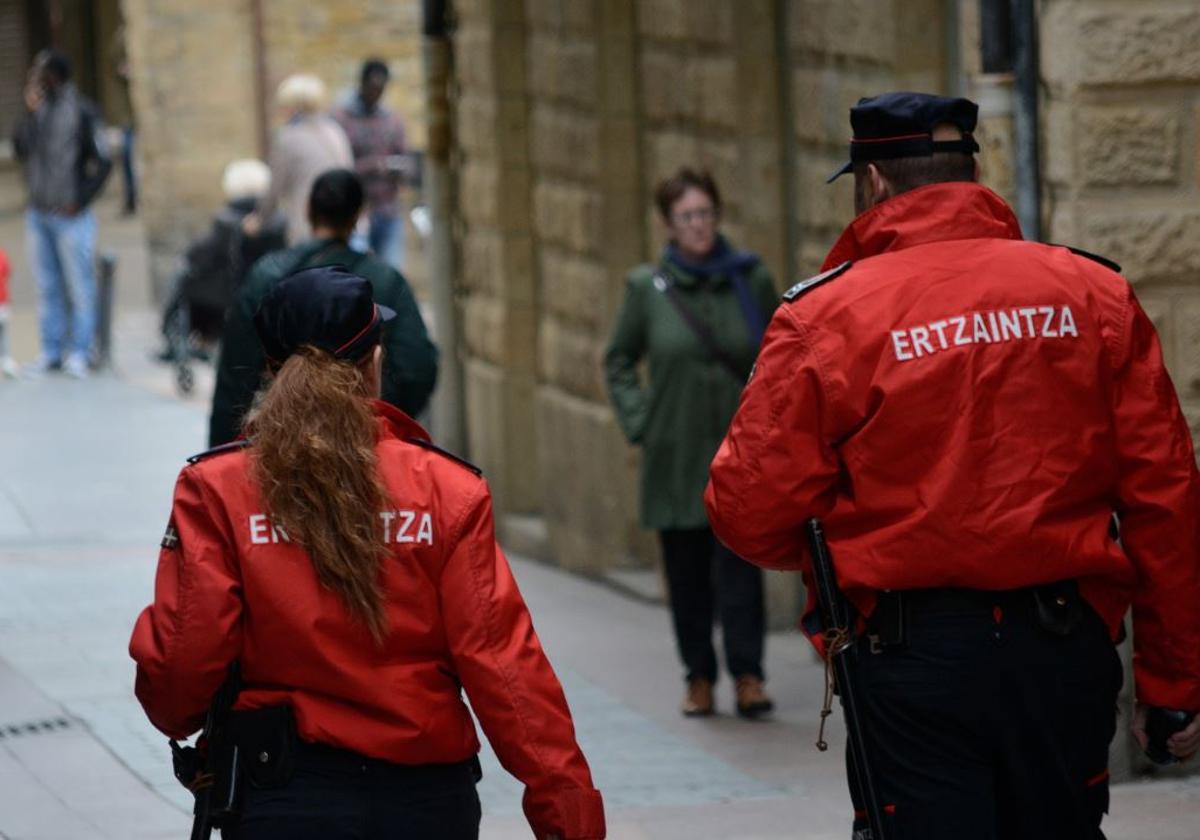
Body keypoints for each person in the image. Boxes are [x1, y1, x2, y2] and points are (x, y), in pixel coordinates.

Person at [705, 91, 1200, 839]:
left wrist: (843, 547)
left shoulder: (825, 317)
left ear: (872, 184)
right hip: (1062, 646)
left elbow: (747, 508)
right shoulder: (1091, 292)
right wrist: (1174, 684)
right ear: (972, 174)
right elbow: (1165, 497)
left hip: (911, 657)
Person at [130, 267, 606, 840]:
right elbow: (506, 667)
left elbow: (183, 664)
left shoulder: (219, 489)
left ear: (272, 372)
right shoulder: (446, 492)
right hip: (426, 802)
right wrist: (569, 813)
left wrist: (180, 716)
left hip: (283, 798)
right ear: (374, 363)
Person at [604, 168, 777, 719]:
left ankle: (749, 675)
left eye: (705, 214)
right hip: (675, 456)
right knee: (687, 576)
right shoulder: (646, 288)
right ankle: (698, 676)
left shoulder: (751, 280)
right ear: (667, 225)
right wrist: (641, 421)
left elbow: (780, 354)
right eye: (686, 217)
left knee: (741, 572)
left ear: (718, 216)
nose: (698, 226)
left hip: (740, 454)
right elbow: (619, 360)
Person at [210, 168, 437, 447]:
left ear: (308, 210)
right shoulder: (385, 280)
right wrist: (383, 420)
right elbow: (417, 365)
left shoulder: (266, 276)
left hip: (282, 447)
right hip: (367, 442)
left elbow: (234, 377)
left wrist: (220, 453)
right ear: (358, 215)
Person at [12, 50, 112, 379]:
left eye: (43, 74)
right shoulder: (37, 112)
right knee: (47, 286)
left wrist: (80, 200)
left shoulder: (83, 110)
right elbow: (19, 149)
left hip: (71, 216)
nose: (38, 80)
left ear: (57, 76)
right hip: (38, 214)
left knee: (79, 286)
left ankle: (80, 352)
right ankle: (51, 351)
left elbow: (104, 161)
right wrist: (28, 114)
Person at [158, 159, 286, 359]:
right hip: (269, 294)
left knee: (186, 281)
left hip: (227, 297)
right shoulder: (279, 222)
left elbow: (200, 255)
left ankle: (189, 339)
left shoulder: (226, 222)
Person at [251, 74, 353, 244]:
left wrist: (259, 219)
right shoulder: (335, 131)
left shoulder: (289, 137)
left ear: (292, 107)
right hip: (344, 225)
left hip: (308, 226)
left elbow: (274, 188)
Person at [333, 58, 410, 270]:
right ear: (362, 83)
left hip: (388, 209)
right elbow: (339, 166)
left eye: (381, 88)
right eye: (373, 86)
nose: (377, 92)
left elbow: (406, 158)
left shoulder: (392, 120)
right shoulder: (342, 119)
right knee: (358, 274)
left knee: (392, 273)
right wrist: (372, 166)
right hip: (356, 212)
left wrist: (398, 168)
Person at [0, 247, 15, 378]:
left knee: (2, 334)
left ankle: (6, 360)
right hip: (2, 303)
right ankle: (6, 361)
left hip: (2, 303)